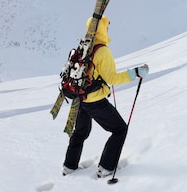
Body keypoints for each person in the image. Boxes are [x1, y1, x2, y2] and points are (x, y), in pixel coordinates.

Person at [62, 15, 149, 178]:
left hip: (80, 98)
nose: (108, 28)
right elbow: (112, 79)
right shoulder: (102, 51)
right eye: (106, 26)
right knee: (119, 129)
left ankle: (69, 166)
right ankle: (106, 167)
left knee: (81, 132)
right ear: (101, 29)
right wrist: (135, 73)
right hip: (95, 101)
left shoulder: (83, 47)